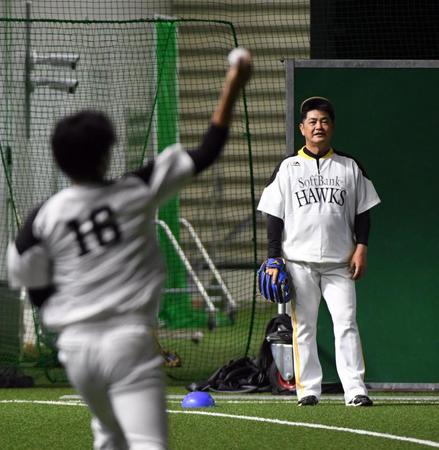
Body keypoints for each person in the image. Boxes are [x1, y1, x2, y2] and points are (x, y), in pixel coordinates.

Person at [7, 52, 252, 449]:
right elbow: (207, 150)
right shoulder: (135, 190)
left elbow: (32, 286)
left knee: (110, 439)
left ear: (59, 159)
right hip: (127, 341)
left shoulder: (41, 219)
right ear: (106, 154)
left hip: (76, 350)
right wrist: (233, 83)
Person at [257, 96, 380, 407]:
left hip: (340, 264)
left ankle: (355, 390)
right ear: (302, 128)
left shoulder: (349, 166)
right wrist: (274, 258)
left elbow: (363, 213)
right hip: (299, 263)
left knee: (347, 323)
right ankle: (308, 390)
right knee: (304, 328)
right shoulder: (287, 168)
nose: (318, 126)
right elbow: (274, 216)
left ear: (332, 127)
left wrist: (361, 247)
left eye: (324, 121)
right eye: (312, 121)